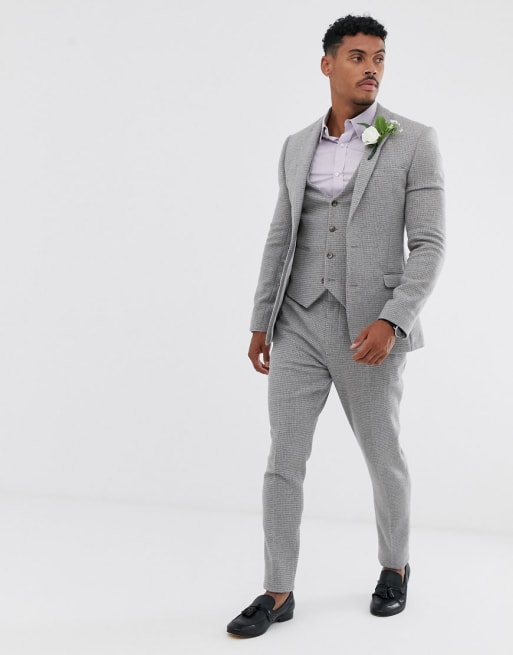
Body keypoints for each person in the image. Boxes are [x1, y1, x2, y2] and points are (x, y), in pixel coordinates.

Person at [227, 14, 445, 638]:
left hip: (368, 331)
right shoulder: (296, 145)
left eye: (379, 58)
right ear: (328, 64)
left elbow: (429, 246)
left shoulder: (413, 140)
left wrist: (392, 320)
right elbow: (281, 236)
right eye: (357, 56)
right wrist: (261, 319)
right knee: (283, 460)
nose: (371, 68)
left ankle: (395, 567)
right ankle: (277, 590)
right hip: (296, 322)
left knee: (383, 456)